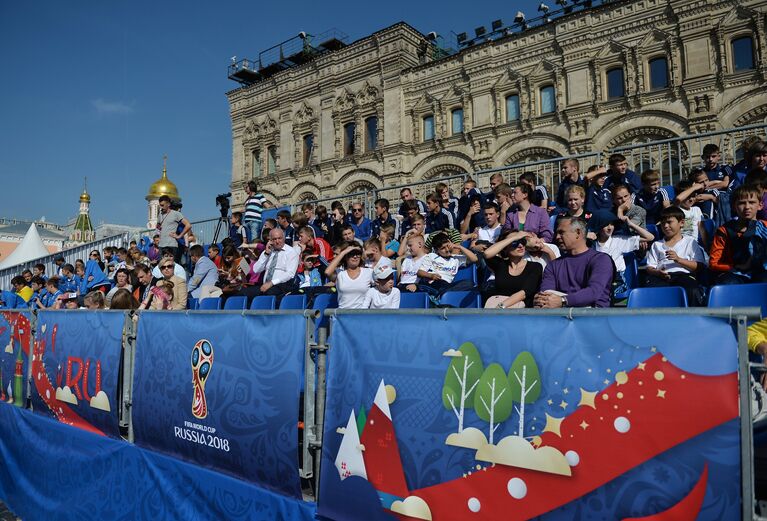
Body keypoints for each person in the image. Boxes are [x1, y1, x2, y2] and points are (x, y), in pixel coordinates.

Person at [534, 216, 614, 308]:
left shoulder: (601, 260)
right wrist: (542, 300)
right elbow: (546, 294)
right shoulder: (553, 265)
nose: (557, 237)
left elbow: (594, 292)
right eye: (556, 233)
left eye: (561, 232)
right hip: (560, 317)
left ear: (578, 233)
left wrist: (563, 301)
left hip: (593, 317)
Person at [644, 206, 706, 305]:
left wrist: (678, 260)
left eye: (669, 222)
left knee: (692, 290)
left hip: (684, 276)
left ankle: (693, 317)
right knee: (651, 291)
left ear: (681, 223)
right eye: (663, 223)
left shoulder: (690, 242)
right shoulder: (657, 244)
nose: (665, 226)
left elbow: (699, 266)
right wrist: (657, 272)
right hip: (661, 277)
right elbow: (649, 267)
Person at [709, 185, 767, 284]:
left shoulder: (765, 227)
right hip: (734, 273)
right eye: (742, 203)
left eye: (752, 202)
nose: (747, 207)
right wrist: (737, 267)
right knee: (728, 283)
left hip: (762, 272)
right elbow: (714, 263)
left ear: (760, 205)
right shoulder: (724, 231)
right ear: (734, 207)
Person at [591, 210, 654, 299]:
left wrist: (631, 224)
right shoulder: (591, 244)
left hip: (616, 280)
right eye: (606, 225)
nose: (610, 228)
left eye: (612, 224)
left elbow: (650, 237)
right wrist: (586, 234)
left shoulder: (619, 240)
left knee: (604, 294)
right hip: (596, 279)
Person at [483, 230, 543, 308]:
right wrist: (515, 237)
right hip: (500, 311)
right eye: (515, 243)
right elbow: (487, 254)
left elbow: (524, 293)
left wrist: (501, 306)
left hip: (522, 314)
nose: (520, 245)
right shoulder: (500, 265)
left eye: (522, 241)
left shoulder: (535, 266)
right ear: (505, 248)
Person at [238, 227, 299, 304]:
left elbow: (290, 274)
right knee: (242, 292)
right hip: (265, 286)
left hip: (282, 285)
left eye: (279, 238)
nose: (277, 241)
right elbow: (256, 269)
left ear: (284, 238)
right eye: (274, 239)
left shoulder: (291, 252)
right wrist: (266, 254)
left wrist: (272, 283)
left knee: (268, 293)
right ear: (270, 240)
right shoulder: (268, 252)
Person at [416, 232, 478, 300]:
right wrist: (431, 276)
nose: (447, 250)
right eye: (443, 248)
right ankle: (440, 295)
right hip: (432, 282)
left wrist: (459, 247)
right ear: (436, 250)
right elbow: (420, 272)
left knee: (469, 283)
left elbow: (474, 259)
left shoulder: (456, 259)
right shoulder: (432, 256)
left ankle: (441, 295)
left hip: (446, 285)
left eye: (447, 246)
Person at [325, 242, 374, 309]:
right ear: (345, 256)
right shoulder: (340, 274)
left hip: (362, 316)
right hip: (342, 315)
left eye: (358, 254)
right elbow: (327, 272)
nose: (355, 256)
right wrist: (343, 252)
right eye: (352, 254)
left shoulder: (368, 272)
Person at [156, 195, 191, 262]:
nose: (161, 207)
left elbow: (188, 225)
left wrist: (179, 236)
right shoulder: (160, 215)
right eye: (160, 205)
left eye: (162, 205)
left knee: (172, 267)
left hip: (171, 245)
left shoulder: (176, 214)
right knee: (161, 267)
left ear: (168, 204)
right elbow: (158, 227)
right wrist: (158, 233)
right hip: (161, 245)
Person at [673, 180, 707, 244]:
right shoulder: (676, 209)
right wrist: (694, 187)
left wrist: (706, 246)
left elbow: (702, 230)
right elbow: (679, 199)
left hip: (694, 245)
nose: (691, 199)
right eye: (688, 197)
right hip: (680, 244)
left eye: (693, 196)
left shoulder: (696, 209)